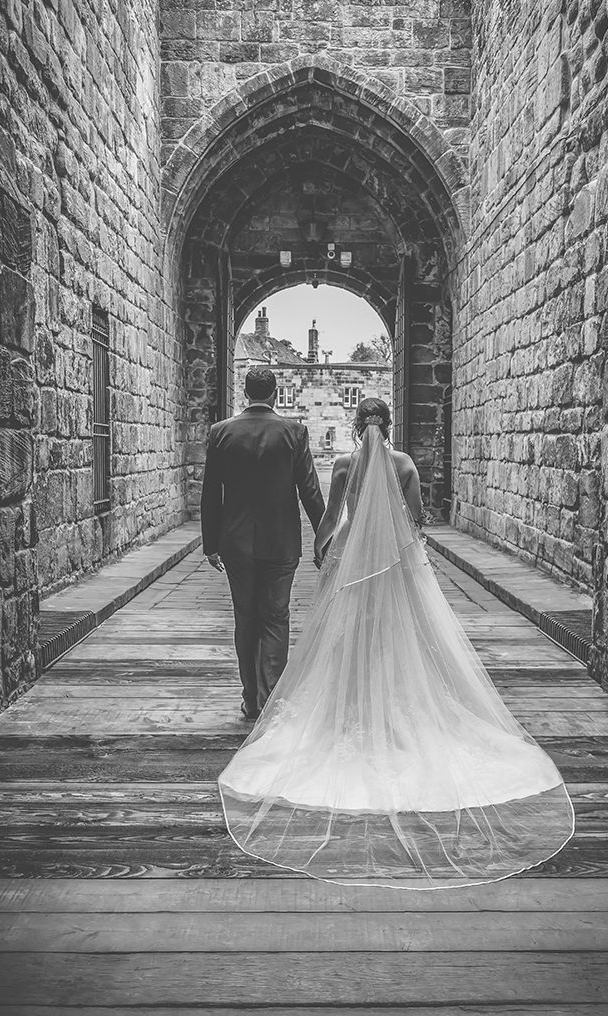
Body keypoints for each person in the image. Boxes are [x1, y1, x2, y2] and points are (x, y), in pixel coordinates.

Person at [218, 397, 575, 889]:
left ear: (354, 424)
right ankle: (400, 700)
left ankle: (349, 704)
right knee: (400, 633)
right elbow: (417, 516)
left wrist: (322, 549)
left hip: (352, 565)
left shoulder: (344, 464)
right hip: (396, 563)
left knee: (347, 637)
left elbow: (331, 518)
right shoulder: (404, 464)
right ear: (388, 424)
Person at [201, 367, 325, 720]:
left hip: (235, 542)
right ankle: (271, 697)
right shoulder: (294, 432)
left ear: (245, 393)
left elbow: (211, 492)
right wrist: (325, 536)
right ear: (274, 394)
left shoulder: (221, 433)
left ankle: (250, 697)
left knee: (246, 617)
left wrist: (211, 542)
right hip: (281, 541)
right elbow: (310, 491)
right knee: (276, 616)